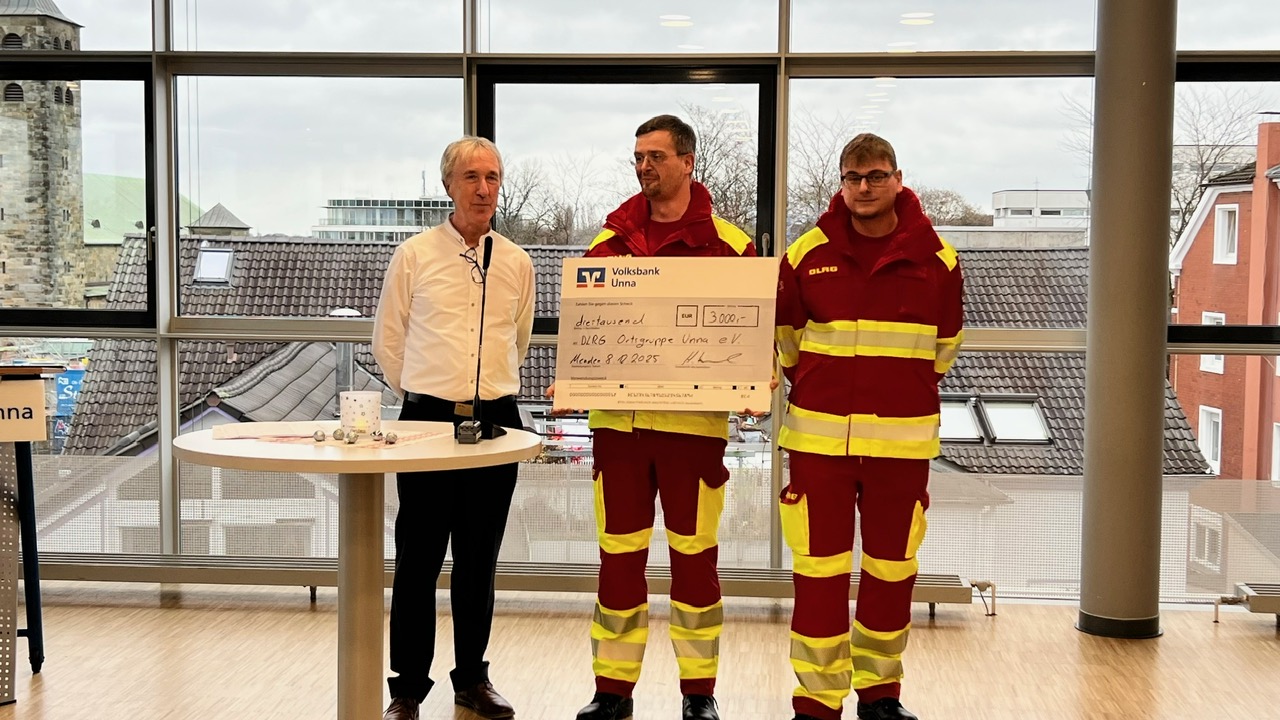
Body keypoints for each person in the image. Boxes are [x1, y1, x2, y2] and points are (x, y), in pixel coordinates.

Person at [550, 114, 757, 720]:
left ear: (688, 162)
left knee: (696, 564)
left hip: (693, 434)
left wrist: (759, 375)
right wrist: (573, 376)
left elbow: (757, 334)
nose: (644, 166)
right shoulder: (606, 246)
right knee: (618, 562)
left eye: (656, 156)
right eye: (638, 156)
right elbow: (585, 333)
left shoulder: (732, 247)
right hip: (619, 431)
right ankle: (612, 692)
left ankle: (699, 694)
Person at [773, 134, 963, 720]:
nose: (863, 187)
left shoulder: (938, 259)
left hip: (900, 449)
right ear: (841, 183)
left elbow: (946, 347)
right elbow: (787, 344)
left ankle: (880, 696)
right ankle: (817, 700)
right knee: (818, 576)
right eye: (853, 177)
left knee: (891, 574)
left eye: (876, 176)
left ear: (898, 179)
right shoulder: (806, 254)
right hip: (819, 445)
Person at [372, 136, 536, 720]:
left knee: (478, 560)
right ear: (448, 185)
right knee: (417, 559)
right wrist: (427, 395)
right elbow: (388, 341)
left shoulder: (516, 262)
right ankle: (407, 689)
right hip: (427, 421)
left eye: (492, 177)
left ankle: (472, 679)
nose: (483, 189)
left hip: (496, 422)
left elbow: (518, 339)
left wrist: (482, 393)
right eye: (471, 177)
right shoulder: (414, 255)